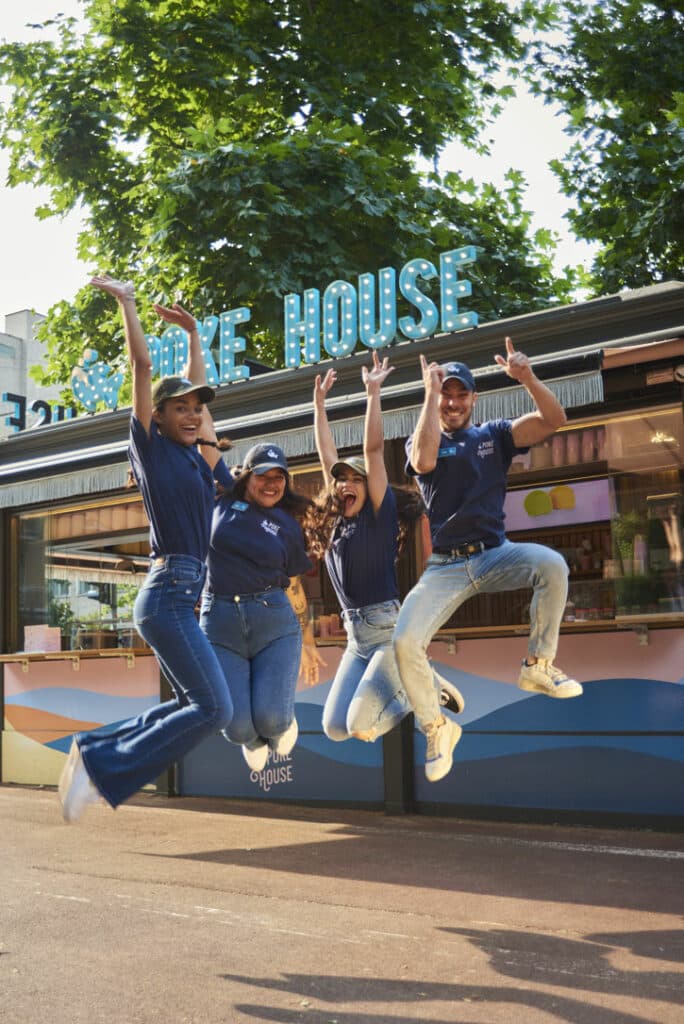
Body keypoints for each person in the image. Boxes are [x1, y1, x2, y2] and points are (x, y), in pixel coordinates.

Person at [58, 275, 234, 822]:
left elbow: (201, 400)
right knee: (215, 708)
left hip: (184, 595)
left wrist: (195, 337)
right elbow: (141, 370)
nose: (189, 414)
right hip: (167, 592)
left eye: (194, 409)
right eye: (176, 407)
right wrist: (128, 303)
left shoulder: (199, 457)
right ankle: (102, 766)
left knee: (194, 705)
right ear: (155, 417)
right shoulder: (150, 452)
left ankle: (95, 752)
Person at [393, 337, 583, 784]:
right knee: (404, 642)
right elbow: (421, 461)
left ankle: (538, 666)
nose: (453, 401)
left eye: (461, 394)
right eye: (447, 394)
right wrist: (428, 393)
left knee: (551, 564)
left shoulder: (494, 435)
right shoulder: (425, 437)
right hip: (445, 566)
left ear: (474, 399)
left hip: (495, 554)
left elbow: (555, 420)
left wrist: (527, 378)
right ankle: (438, 729)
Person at [307, 351, 465, 744]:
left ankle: (423, 686)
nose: (345, 485)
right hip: (355, 637)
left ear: (370, 487)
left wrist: (373, 392)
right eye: (340, 481)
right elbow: (327, 457)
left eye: (354, 480)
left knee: (362, 726)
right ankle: (423, 682)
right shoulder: (337, 521)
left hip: (386, 630)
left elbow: (374, 451)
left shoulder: (378, 516)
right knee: (335, 728)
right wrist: (318, 405)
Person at [199, 440, 319, 772]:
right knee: (235, 729)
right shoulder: (222, 496)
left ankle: (281, 725)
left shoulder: (288, 526)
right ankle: (253, 740)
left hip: (273, 622)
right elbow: (206, 441)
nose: (271, 484)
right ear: (247, 476)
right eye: (264, 475)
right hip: (220, 624)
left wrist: (307, 640)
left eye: (279, 477)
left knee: (273, 720)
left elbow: (294, 585)